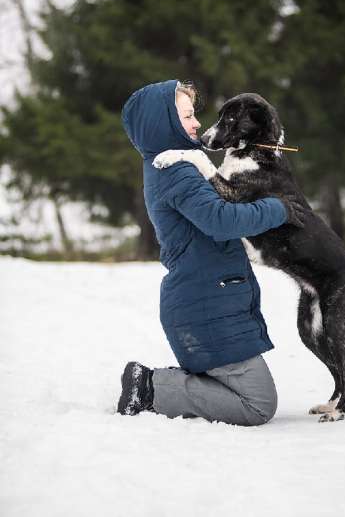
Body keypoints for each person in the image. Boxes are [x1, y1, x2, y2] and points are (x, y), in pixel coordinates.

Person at [117, 79, 305, 426]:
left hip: (209, 299)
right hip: (203, 304)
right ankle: (151, 388)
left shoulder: (172, 166)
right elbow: (221, 220)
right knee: (258, 404)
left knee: (256, 397)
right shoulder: (176, 172)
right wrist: (278, 209)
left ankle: (166, 384)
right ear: (164, 123)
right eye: (187, 116)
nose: (197, 123)